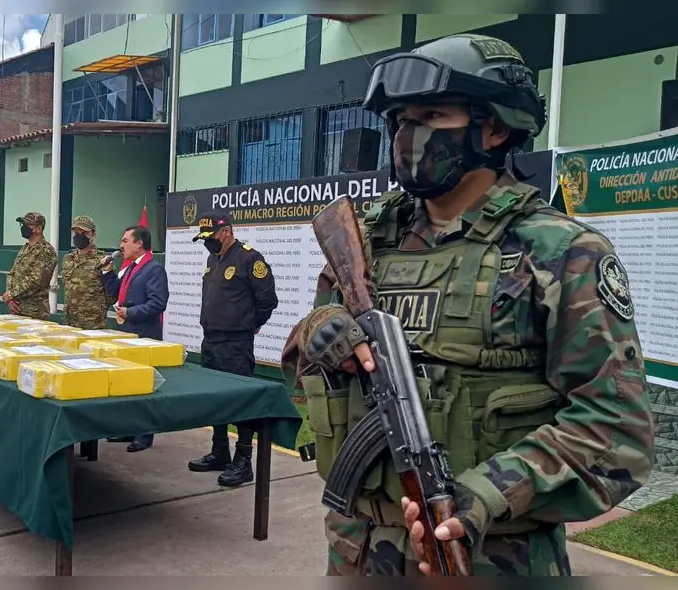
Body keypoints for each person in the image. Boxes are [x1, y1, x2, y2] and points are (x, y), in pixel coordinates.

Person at [280, 33, 654, 577]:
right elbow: (305, 376)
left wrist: (486, 493)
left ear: (496, 127)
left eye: (432, 114)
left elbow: (617, 431)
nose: (409, 135)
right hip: (357, 551)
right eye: (401, 120)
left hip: (491, 558)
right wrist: (319, 329)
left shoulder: (558, 252)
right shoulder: (368, 241)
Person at [186, 211, 278, 487]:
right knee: (217, 399)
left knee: (240, 400)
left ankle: (243, 459)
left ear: (226, 231)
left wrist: (251, 324)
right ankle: (220, 451)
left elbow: (267, 299)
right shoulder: (213, 258)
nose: (207, 242)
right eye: (204, 238)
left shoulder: (250, 258)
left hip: (236, 342)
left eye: (211, 236)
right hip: (211, 339)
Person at [100, 225, 169, 452]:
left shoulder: (154, 269)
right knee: (127, 383)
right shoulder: (130, 269)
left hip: (144, 337)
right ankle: (128, 429)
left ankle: (143, 434)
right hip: (127, 334)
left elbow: (158, 303)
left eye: (125, 240)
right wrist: (107, 272)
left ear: (139, 243)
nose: (121, 245)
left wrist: (131, 312)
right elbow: (116, 292)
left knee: (143, 386)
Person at [61, 215, 113, 329]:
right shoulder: (68, 259)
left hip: (92, 325)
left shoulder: (102, 260)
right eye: (76, 233)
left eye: (84, 233)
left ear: (93, 235)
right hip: (69, 323)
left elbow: (111, 295)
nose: (80, 236)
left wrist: (95, 309)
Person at [4, 212, 58, 320]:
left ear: (38, 229)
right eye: (22, 225)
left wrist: (11, 295)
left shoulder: (46, 251)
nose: (23, 228)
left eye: (27, 225)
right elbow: (12, 273)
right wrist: (10, 299)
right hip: (17, 308)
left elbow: (36, 280)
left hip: (35, 312)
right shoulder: (24, 249)